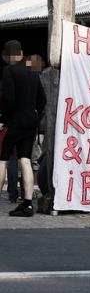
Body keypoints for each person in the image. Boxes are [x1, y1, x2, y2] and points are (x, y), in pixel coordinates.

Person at [0, 41, 46, 217]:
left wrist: (3, 119)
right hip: (30, 125)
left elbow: (8, 100)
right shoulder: (32, 72)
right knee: (25, 160)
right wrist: (35, 115)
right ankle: (27, 204)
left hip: (12, 124)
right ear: (21, 53)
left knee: (2, 160)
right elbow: (42, 99)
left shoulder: (9, 71)